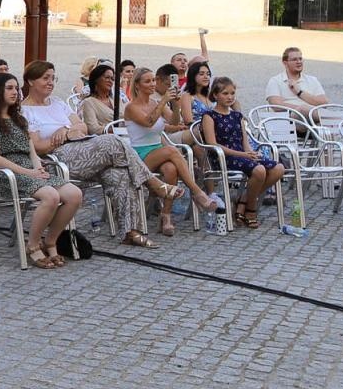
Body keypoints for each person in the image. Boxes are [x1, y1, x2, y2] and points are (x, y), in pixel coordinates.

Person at [20, 60, 182, 249]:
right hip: (57, 159)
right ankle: (154, 184)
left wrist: (66, 129)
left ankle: (130, 232)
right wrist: (67, 134)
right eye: (45, 78)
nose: (50, 82)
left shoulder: (57, 103)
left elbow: (82, 126)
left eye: (53, 78)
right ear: (30, 81)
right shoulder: (25, 111)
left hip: (82, 149)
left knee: (120, 173)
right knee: (113, 141)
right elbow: (38, 146)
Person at [0, 72, 82, 268]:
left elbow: (32, 151)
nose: (15, 92)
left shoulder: (19, 119)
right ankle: (32, 245)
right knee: (51, 196)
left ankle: (50, 241)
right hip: (5, 174)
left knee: (74, 194)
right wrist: (28, 173)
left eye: (16, 88)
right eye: (9, 88)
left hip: (28, 170)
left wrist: (38, 167)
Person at [123, 68, 221, 235]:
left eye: (154, 80)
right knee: (171, 150)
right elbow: (148, 122)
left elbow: (174, 122)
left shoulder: (155, 103)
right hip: (139, 154)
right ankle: (197, 192)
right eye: (147, 81)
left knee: (171, 169)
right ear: (137, 85)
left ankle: (166, 216)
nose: (152, 84)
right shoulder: (131, 107)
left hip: (157, 151)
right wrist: (163, 101)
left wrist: (175, 104)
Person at [201, 76, 289, 229]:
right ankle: (250, 209)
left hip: (242, 155)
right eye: (225, 93)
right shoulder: (209, 116)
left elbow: (245, 143)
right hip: (224, 157)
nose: (230, 97)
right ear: (215, 95)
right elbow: (212, 144)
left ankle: (242, 200)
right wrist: (243, 155)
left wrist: (251, 153)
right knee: (259, 170)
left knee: (278, 168)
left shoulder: (237, 116)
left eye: (232, 93)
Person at [264, 47, 329, 120]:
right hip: (289, 121)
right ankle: (336, 120)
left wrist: (299, 92)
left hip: (314, 121)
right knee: (303, 109)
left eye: (300, 59)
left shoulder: (312, 80)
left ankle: (337, 122)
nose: (299, 62)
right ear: (285, 63)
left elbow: (324, 103)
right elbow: (276, 105)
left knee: (326, 125)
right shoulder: (275, 81)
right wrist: (300, 110)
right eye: (294, 59)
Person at [78, 64, 117, 134]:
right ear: (96, 80)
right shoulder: (89, 102)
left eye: (112, 79)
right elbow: (92, 129)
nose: (110, 81)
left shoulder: (116, 101)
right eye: (107, 77)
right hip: (105, 139)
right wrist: (116, 130)